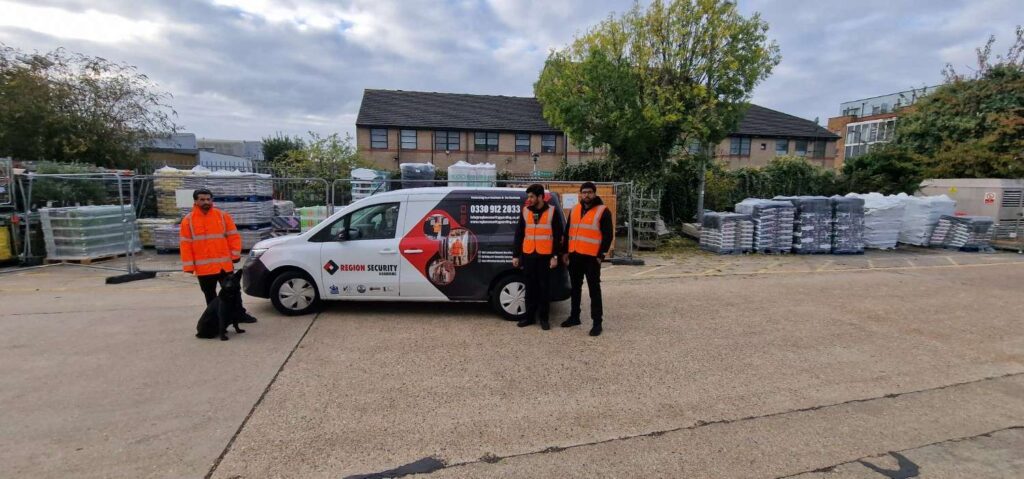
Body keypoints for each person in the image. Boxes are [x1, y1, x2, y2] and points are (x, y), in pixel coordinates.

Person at [180, 188, 256, 323]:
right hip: (203, 268)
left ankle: (239, 315)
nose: (206, 202)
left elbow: (233, 236)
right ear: (195, 201)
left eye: (209, 199)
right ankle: (214, 319)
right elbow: (186, 244)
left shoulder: (222, 216)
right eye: (202, 199)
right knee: (210, 296)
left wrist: (235, 254)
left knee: (234, 293)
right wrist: (189, 266)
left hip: (223, 266)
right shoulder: (188, 220)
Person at [561, 182, 612, 336]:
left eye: (589, 192)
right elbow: (567, 231)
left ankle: (597, 323)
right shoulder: (575, 209)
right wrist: (565, 252)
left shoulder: (603, 211)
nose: (586, 195)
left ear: (595, 193)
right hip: (575, 256)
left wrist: (600, 255)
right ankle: (574, 316)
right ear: (580, 194)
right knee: (575, 289)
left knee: (594, 290)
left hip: (591, 258)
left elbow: (608, 235)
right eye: (584, 192)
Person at [512, 184, 564, 330]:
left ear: (540, 197)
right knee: (530, 288)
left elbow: (558, 236)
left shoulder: (552, 212)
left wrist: (555, 256)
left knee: (544, 289)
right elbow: (519, 234)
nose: (529, 199)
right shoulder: (525, 211)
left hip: (545, 256)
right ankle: (529, 318)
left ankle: (544, 319)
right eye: (528, 196)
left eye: (531, 196)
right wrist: (516, 255)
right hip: (528, 255)